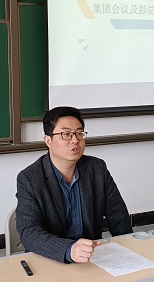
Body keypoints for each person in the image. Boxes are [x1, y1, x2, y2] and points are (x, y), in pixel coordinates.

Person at [15, 106, 132, 263]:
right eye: (66, 134)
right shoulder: (30, 178)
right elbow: (29, 232)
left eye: (79, 133)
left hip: (91, 258)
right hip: (50, 259)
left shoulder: (97, 168)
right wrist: (69, 250)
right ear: (48, 141)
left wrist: (129, 251)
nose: (75, 140)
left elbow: (118, 216)